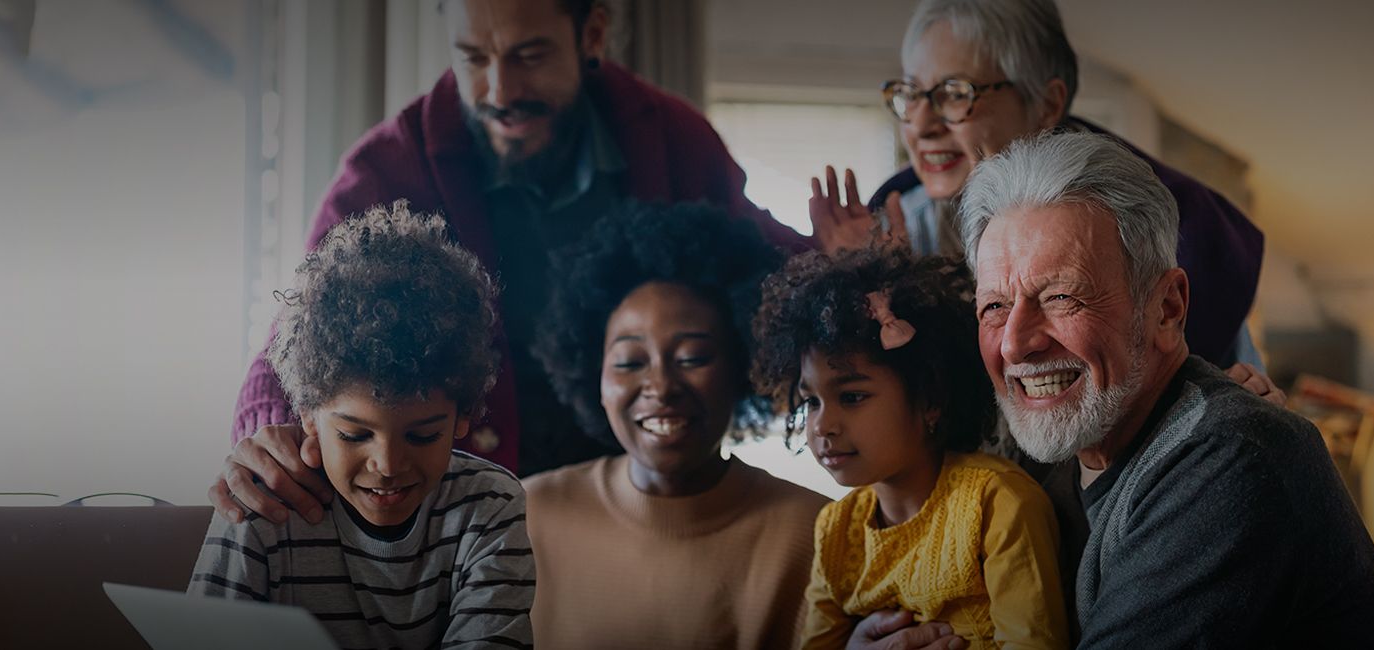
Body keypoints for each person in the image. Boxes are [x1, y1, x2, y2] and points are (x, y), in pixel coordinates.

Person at [212, 0, 876, 528]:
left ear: (591, 34)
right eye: (474, 57)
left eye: (529, 56)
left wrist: (840, 266)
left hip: (642, 503)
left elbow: (756, 267)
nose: (499, 89)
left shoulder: (671, 136)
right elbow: (301, 335)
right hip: (460, 518)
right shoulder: (388, 165)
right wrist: (265, 429)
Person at [961, 131, 1374, 647]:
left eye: (1060, 297)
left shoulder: (1232, 459)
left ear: (1167, 308)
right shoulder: (1054, 455)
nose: (1014, 343)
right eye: (994, 306)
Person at [808, 0, 1269, 372]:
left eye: (955, 93)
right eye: (911, 94)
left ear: (1047, 104)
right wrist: (862, 283)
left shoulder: (1173, 232)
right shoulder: (899, 229)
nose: (922, 125)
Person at [188, 202, 534, 649]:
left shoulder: (488, 507)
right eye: (354, 435)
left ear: (462, 416)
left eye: (422, 435)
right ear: (308, 416)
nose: (388, 464)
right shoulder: (263, 506)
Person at [522, 201, 829, 648]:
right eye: (630, 361)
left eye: (692, 358)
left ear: (743, 366)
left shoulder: (815, 533)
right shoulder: (525, 518)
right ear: (595, 377)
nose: (661, 386)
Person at [752, 246, 1069, 649]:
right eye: (811, 401)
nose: (822, 425)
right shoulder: (835, 532)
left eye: (851, 397)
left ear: (929, 400)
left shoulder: (996, 505)